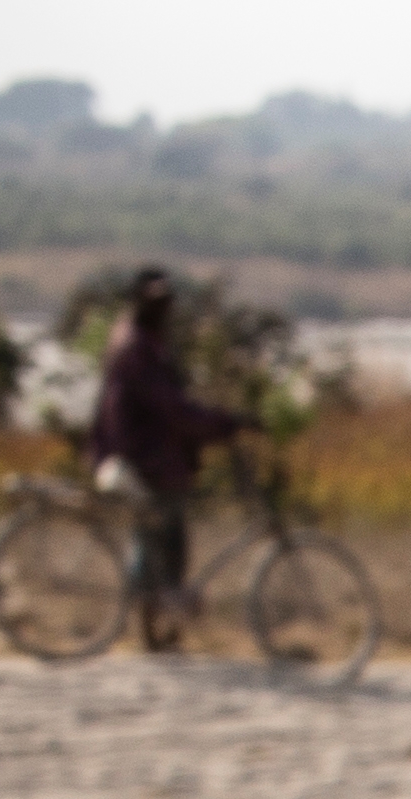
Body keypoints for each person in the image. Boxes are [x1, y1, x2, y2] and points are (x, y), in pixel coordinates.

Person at [85, 268, 242, 654]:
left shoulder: (144, 341)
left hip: (149, 456)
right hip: (140, 458)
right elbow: (171, 408)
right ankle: (150, 613)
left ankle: (159, 627)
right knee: (162, 536)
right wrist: (222, 423)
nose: (165, 311)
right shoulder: (137, 348)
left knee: (164, 538)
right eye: (158, 303)